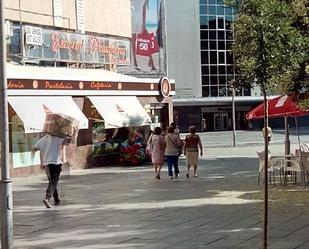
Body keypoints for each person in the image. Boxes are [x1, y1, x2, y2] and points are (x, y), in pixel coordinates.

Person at [31, 134, 68, 208]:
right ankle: (47, 198)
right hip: (55, 162)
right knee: (53, 181)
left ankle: (56, 198)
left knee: (52, 181)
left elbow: (34, 150)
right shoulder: (57, 138)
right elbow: (65, 143)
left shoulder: (42, 140)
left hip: (46, 164)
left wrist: (36, 162)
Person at [131, 0, 156, 70]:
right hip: (135, 17)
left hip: (137, 18)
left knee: (144, 39)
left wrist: (144, 24)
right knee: (135, 40)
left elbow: (144, 10)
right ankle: (136, 63)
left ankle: (150, 61)